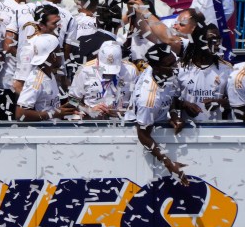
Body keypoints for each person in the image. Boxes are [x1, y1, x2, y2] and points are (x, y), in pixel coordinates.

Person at [132, 44, 195, 185]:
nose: (176, 68)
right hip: (144, 135)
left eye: (175, 62)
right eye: (170, 65)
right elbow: (143, 135)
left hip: (158, 123)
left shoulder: (166, 72)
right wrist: (167, 162)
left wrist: (173, 114)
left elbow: (170, 94)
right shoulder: (148, 99)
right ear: (157, 68)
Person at [69, 40, 133, 119]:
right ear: (98, 58)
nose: (109, 74)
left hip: (122, 122)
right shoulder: (84, 70)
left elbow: (137, 102)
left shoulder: (131, 71)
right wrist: (88, 110)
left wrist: (123, 111)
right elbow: (72, 100)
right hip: (92, 123)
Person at [15, 35, 66, 121]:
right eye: (59, 51)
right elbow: (20, 114)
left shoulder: (50, 74)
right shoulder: (35, 80)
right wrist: (54, 114)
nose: (62, 55)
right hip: (43, 132)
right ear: (53, 56)